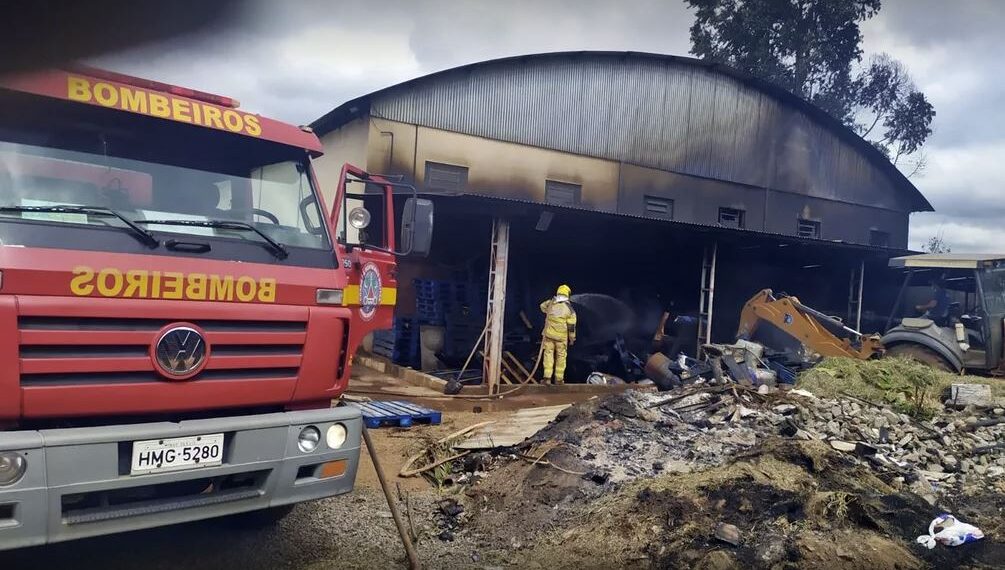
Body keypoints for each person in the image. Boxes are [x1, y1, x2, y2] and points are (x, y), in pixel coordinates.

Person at [540, 284, 577, 385]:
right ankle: (559, 380)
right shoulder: (570, 309)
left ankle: (547, 378)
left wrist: (551, 302)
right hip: (561, 338)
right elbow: (571, 327)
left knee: (548, 355)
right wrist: (572, 339)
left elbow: (542, 307)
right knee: (561, 357)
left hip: (549, 336)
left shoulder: (551, 304)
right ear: (568, 295)